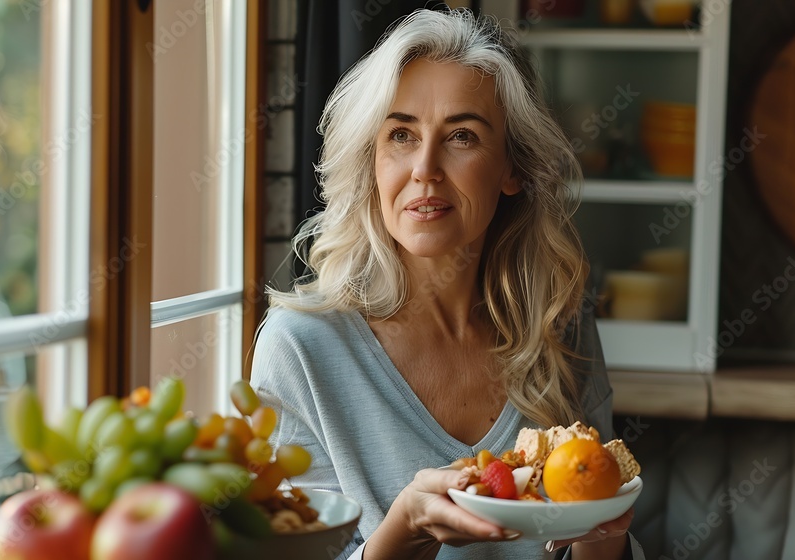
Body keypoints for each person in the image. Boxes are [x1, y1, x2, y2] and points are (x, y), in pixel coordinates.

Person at [250, 8, 644, 560]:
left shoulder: (559, 320)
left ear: (513, 169)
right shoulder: (302, 346)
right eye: (401, 135)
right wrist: (405, 527)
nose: (425, 168)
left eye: (461, 136)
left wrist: (606, 532)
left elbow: (595, 532)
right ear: (372, 162)